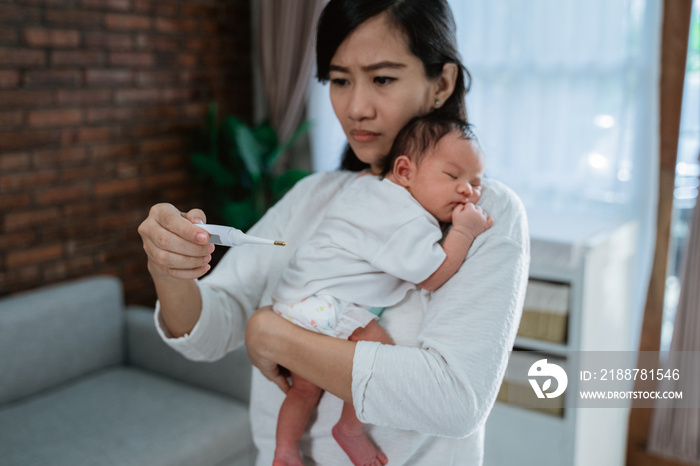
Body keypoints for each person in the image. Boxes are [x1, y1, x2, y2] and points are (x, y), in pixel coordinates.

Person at [137, 1, 530, 464]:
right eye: (339, 80)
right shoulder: (316, 194)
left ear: (441, 83)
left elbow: (454, 400)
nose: (356, 107)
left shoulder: (482, 212)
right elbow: (207, 333)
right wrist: (169, 268)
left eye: (382, 78)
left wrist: (272, 335)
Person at [271, 116, 493, 466]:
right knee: (379, 353)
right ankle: (350, 429)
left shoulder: (365, 186)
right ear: (404, 172)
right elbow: (432, 276)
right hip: (323, 304)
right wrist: (464, 232)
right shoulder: (407, 217)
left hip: (292, 300)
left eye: (477, 183)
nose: (469, 190)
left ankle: (284, 449)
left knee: (304, 389)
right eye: (453, 176)